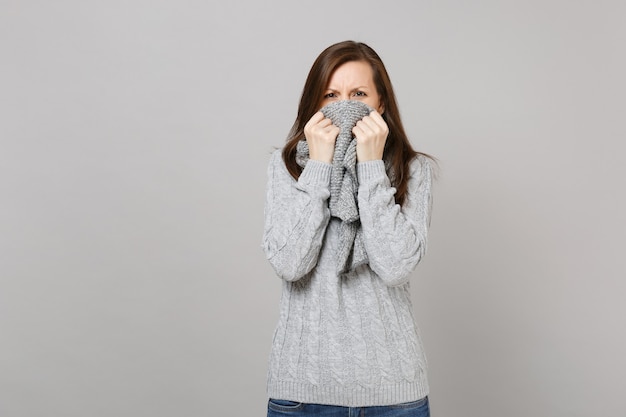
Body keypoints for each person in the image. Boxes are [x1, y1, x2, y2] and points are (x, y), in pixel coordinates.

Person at [262, 40, 434, 417]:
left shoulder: (412, 169)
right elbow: (290, 263)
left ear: (381, 104)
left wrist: (371, 167)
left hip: (394, 393)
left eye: (358, 94)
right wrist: (321, 167)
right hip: (302, 392)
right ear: (314, 106)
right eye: (330, 95)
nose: (344, 106)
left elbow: (395, 266)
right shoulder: (287, 166)